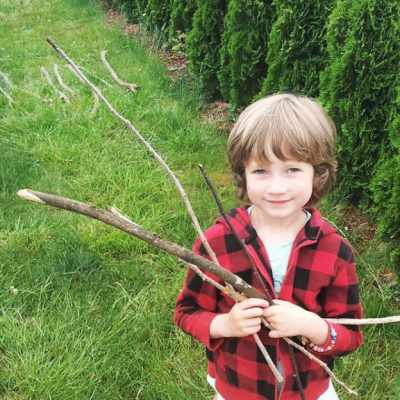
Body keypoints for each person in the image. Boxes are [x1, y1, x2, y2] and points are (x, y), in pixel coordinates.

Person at [174, 93, 363, 400]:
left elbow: (351, 336)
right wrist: (226, 324)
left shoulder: (335, 252)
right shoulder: (216, 243)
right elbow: (186, 312)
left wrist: (312, 326)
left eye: (292, 169)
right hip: (238, 388)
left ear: (318, 173)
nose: (277, 187)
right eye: (261, 171)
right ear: (243, 174)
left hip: (310, 391)